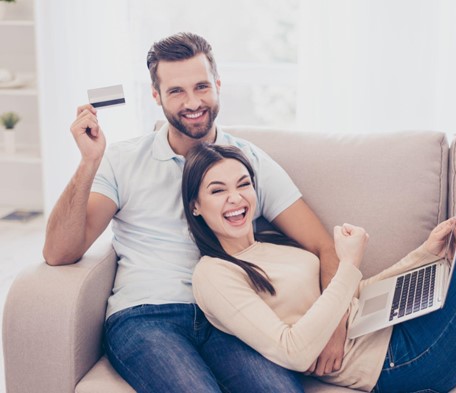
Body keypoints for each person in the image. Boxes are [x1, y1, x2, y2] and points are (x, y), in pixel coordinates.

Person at [42, 32, 348, 393]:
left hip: (230, 317)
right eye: (176, 91)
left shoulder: (248, 162)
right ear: (156, 96)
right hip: (146, 317)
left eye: (202, 86)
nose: (193, 102)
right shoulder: (122, 161)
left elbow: (324, 246)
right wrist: (88, 162)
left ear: (218, 85)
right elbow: (59, 252)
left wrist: (335, 328)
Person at [183, 143, 456, 392]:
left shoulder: (269, 244)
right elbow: (292, 350)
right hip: (400, 362)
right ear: (196, 207)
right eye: (217, 191)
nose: (236, 198)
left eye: (243, 184)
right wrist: (348, 265)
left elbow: (356, 299)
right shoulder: (215, 275)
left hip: (390, 323)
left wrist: (425, 254)